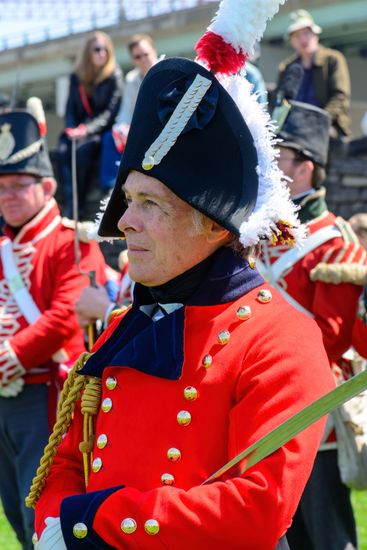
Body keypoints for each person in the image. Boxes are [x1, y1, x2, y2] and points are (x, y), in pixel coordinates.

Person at [29, 3, 335, 548]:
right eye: (128, 200)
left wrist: (91, 523)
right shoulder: (127, 321)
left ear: (216, 226)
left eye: (152, 203)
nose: (124, 222)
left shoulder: (282, 338)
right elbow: (67, 464)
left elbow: (257, 508)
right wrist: (55, 522)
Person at [258, 100, 367, 550]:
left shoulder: (333, 241)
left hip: (311, 412)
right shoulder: (259, 235)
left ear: (305, 169)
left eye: (278, 159)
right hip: (261, 409)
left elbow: (331, 337)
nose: (269, 169)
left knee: (325, 536)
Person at [0, 108, 106, 550]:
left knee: (41, 516)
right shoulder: (5, 245)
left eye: (18, 185)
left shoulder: (71, 240)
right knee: (13, 506)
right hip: (6, 396)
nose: (7, 196)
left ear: (47, 187)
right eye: (1, 187)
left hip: (46, 394)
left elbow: (69, 310)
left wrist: (12, 354)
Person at [58, 31, 123, 217]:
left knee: (83, 151)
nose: (101, 53)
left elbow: (110, 113)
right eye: (97, 49)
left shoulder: (114, 75)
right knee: (63, 150)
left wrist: (87, 130)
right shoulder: (76, 76)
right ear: (88, 52)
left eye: (105, 50)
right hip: (79, 128)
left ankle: (81, 202)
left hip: (99, 130)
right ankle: (69, 201)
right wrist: (71, 129)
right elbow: (70, 107)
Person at [274, 9, 351, 138]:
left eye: (306, 33)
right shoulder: (287, 67)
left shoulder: (333, 59)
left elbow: (340, 96)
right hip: (293, 128)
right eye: (297, 36)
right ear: (291, 41)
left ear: (315, 35)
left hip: (327, 126)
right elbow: (279, 101)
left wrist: (321, 122)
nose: (303, 39)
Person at [112, 34, 158, 152]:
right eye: (138, 57)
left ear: (154, 52)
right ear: (133, 60)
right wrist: (122, 128)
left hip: (166, 127)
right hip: (141, 130)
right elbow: (126, 112)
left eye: (146, 54)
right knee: (110, 138)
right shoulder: (131, 79)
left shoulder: (168, 70)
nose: (143, 59)